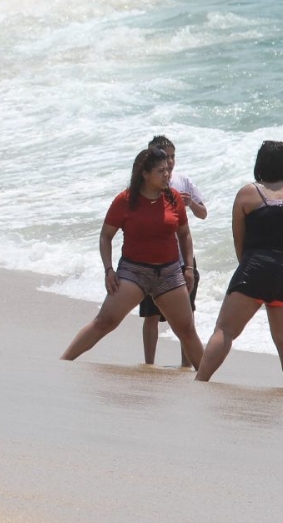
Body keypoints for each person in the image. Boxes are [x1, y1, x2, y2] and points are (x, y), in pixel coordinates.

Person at [61, 146, 206, 369]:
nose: (167, 174)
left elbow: (184, 234)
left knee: (187, 331)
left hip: (169, 273)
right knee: (105, 321)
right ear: (145, 174)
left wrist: (188, 267)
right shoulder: (125, 200)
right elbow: (105, 236)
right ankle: (63, 362)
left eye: (167, 169)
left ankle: (207, 379)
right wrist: (108, 270)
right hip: (133, 272)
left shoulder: (174, 198)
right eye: (161, 171)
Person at [196, 140, 283, 389]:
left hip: (256, 266)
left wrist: (250, 268)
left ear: (259, 163)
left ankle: (200, 382)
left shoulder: (248, 194)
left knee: (225, 331)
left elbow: (238, 239)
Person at [139, 134, 208, 368]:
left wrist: (190, 204)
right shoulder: (144, 184)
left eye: (172, 157)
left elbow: (203, 213)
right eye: (164, 157)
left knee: (187, 314)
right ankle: (149, 363)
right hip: (153, 260)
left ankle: (186, 364)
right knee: (151, 315)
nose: (170, 163)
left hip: (181, 259)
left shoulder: (183, 181)